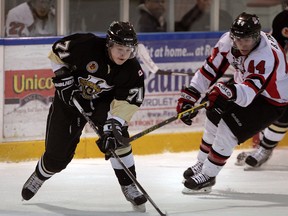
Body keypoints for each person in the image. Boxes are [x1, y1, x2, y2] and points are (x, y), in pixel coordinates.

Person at [21, 21, 148, 212]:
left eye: (128, 49)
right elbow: (57, 52)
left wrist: (114, 124)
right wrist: (63, 78)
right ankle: (40, 174)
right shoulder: (86, 45)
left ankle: (129, 184)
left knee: (117, 139)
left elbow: (128, 102)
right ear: (109, 45)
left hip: (102, 105)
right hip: (69, 103)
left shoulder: (131, 69)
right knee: (57, 158)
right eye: (120, 48)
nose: (124, 54)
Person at [176, 12, 288, 194]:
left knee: (228, 128)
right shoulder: (228, 41)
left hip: (271, 100)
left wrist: (225, 91)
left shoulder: (266, 55)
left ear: (257, 36)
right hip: (244, 86)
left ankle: (208, 175)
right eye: (238, 39)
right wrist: (190, 95)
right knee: (213, 113)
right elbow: (209, 70)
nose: (243, 44)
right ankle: (201, 162)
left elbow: (249, 94)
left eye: (249, 39)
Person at [235, 2, 288, 168]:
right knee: (279, 107)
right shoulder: (283, 20)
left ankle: (264, 148)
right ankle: (264, 149)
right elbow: (275, 48)